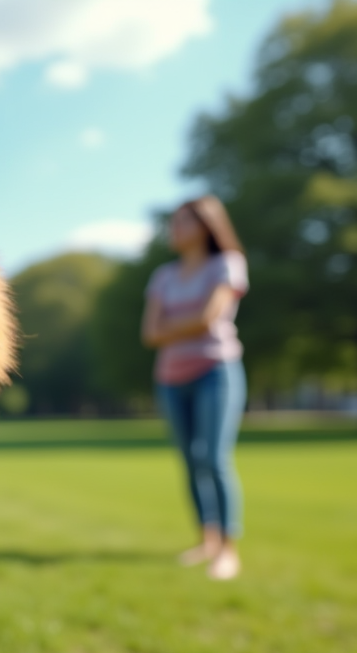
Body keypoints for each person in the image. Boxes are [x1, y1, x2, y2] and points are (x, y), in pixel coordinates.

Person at [142, 196, 249, 581]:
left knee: (213, 458)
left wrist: (177, 325)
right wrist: (187, 323)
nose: (175, 229)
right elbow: (149, 333)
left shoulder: (227, 264)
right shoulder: (164, 276)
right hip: (171, 379)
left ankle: (228, 549)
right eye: (173, 222)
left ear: (206, 226)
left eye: (183, 222)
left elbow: (209, 319)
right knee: (189, 461)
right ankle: (206, 540)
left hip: (215, 371)